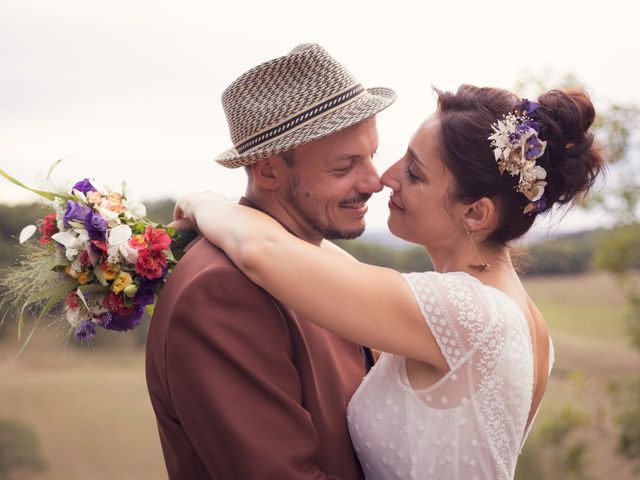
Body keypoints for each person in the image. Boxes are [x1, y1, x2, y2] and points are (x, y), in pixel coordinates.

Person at [172, 85, 605, 479]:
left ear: (476, 213)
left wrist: (201, 200)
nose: (386, 178)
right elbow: (325, 261)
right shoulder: (523, 318)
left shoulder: (464, 313)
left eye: (414, 173)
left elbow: (262, 253)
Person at [145, 43, 396, 479]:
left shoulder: (309, 260)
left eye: (372, 155)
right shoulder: (219, 294)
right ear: (268, 171)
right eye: (344, 167)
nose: (375, 181)